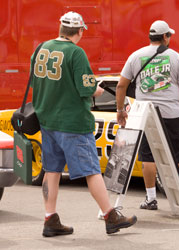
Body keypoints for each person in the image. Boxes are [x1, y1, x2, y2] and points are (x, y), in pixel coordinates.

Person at [31, 11, 137, 237]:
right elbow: (87, 88)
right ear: (80, 31)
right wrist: (98, 89)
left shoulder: (41, 48)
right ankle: (110, 215)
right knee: (91, 170)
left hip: (47, 121)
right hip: (73, 122)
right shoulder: (76, 53)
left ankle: (50, 218)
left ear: (60, 27)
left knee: (52, 170)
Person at [116, 20, 179, 210]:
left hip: (146, 115)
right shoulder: (176, 57)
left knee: (148, 156)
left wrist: (120, 110)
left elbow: (121, 85)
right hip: (172, 114)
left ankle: (151, 198)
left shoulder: (135, 56)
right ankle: (178, 199)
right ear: (164, 37)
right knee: (176, 155)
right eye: (169, 35)